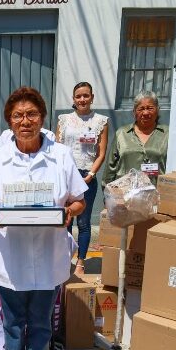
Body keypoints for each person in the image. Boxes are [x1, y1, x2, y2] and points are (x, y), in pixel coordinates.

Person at [0, 87, 87, 350]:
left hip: (49, 256)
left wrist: (69, 212)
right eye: (18, 116)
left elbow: (78, 200)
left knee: (40, 323)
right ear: (9, 121)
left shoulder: (61, 156)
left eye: (32, 114)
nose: (25, 121)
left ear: (42, 118)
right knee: (12, 325)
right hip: (9, 258)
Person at [56, 82, 109, 273]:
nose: (82, 99)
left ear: (92, 97)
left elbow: (101, 153)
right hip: (65, 175)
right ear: (73, 99)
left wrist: (91, 174)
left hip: (87, 176)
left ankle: (80, 261)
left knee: (84, 222)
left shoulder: (101, 121)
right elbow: (57, 148)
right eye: (78, 96)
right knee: (65, 219)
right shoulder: (64, 119)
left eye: (86, 95)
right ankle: (64, 259)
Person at [102, 90, 169, 188]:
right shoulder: (121, 133)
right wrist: (107, 190)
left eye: (150, 108)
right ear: (134, 112)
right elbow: (110, 167)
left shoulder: (168, 134)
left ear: (158, 109)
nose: (145, 113)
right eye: (141, 109)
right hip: (124, 193)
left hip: (157, 192)